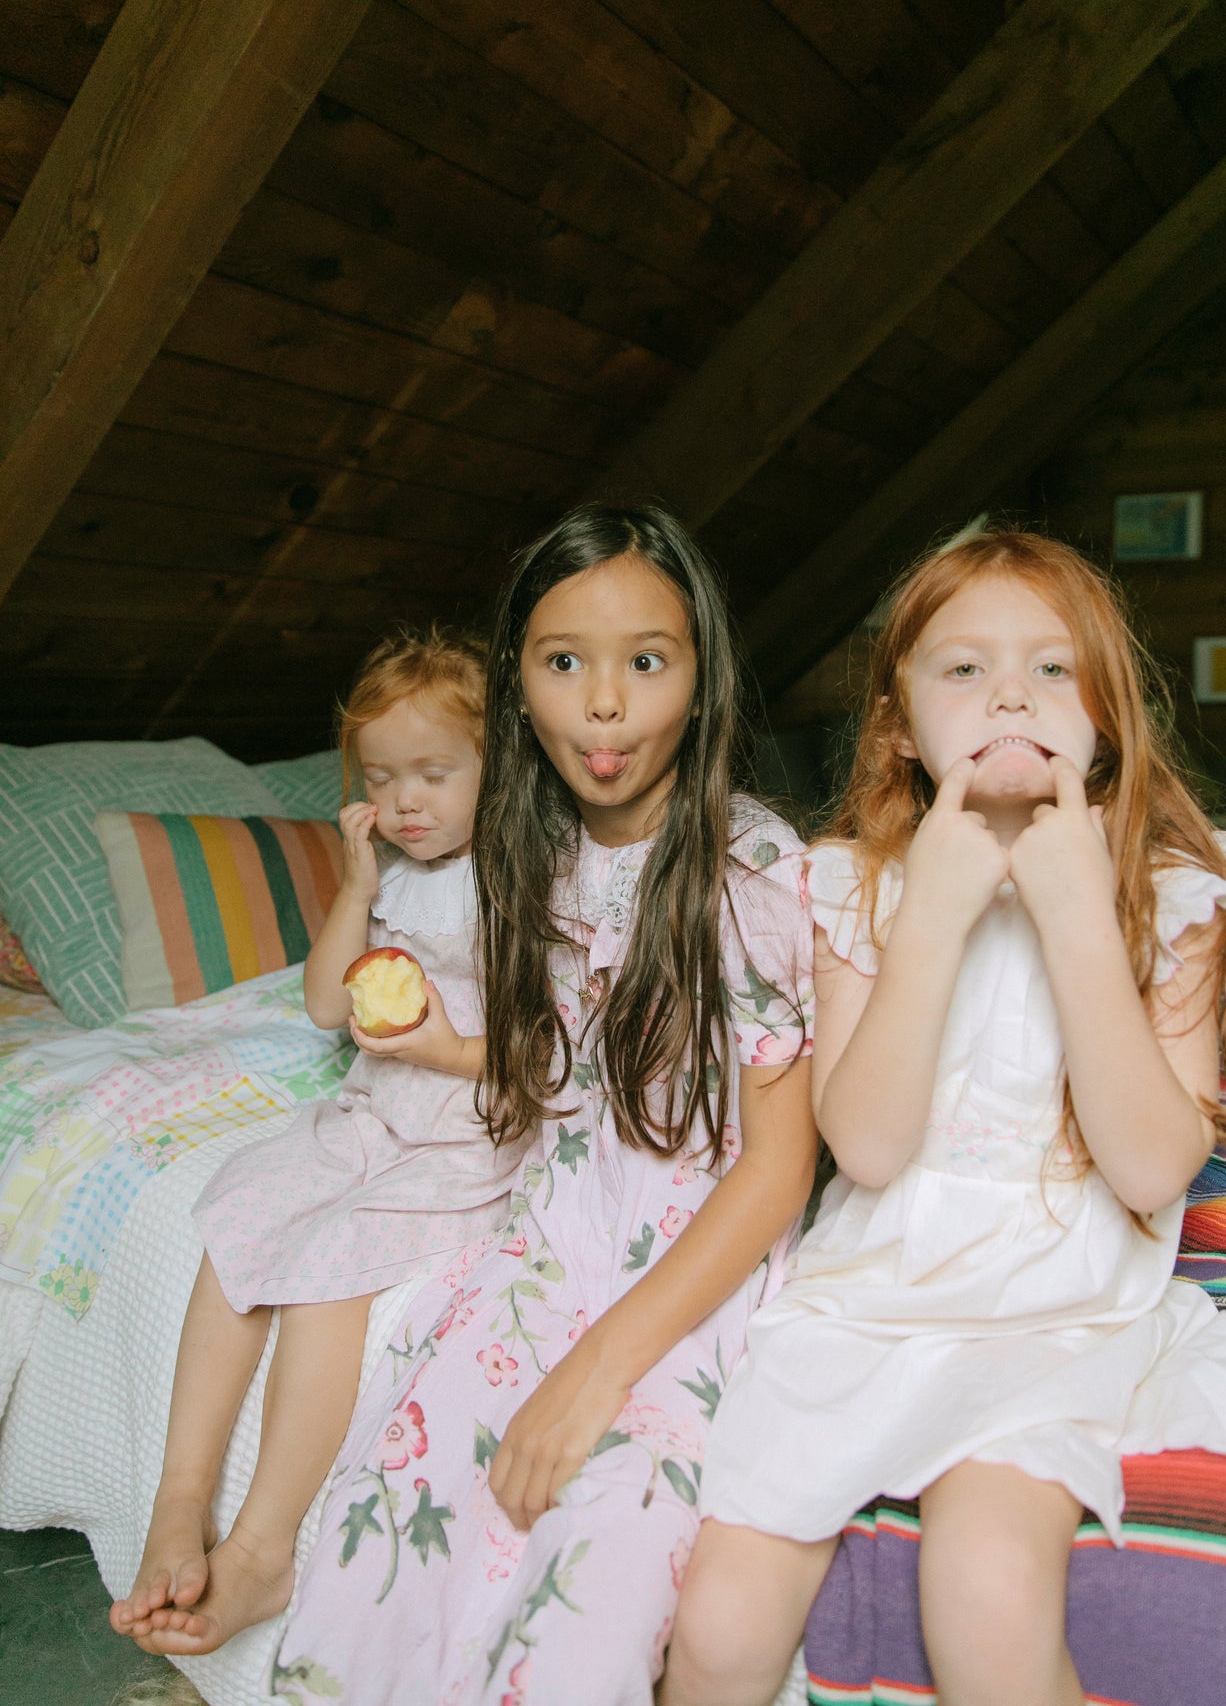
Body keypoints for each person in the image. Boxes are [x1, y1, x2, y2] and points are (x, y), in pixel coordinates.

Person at [663, 528, 1226, 1706]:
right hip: (874, 1301)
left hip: (1060, 1314)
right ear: (897, 723)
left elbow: (1151, 1172)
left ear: (1104, 718)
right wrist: (933, 916)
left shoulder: (1171, 895)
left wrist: (1080, 920)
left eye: (1051, 668)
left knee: (985, 1602)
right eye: (961, 669)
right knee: (719, 1629)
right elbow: (870, 1148)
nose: (1008, 693)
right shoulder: (851, 883)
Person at [263, 503, 815, 1705]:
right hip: (540, 1246)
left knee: (588, 1590)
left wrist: (595, 1370)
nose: (603, 705)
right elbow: (559, 1069)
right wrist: (436, 1041)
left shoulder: (756, 871)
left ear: (702, 677)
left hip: (690, 1288)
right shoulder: (533, 856)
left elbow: (776, 1171)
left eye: (645, 661)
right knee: (384, 1541)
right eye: (563, 662)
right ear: (516, 689)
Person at [111, 628, 524, 1656]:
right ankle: (180, 1496)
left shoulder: (521, 879)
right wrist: (355, 881)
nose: (407, 801)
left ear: (498, 767)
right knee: (240, 1214)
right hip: (374, 1112)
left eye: (434, 773)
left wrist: (441, 1048)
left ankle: (260, 1547)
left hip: (464, 1134)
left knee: (328, 1272)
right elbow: (320, 1004)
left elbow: (541, 1061)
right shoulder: (391, 873)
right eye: (383, 780)